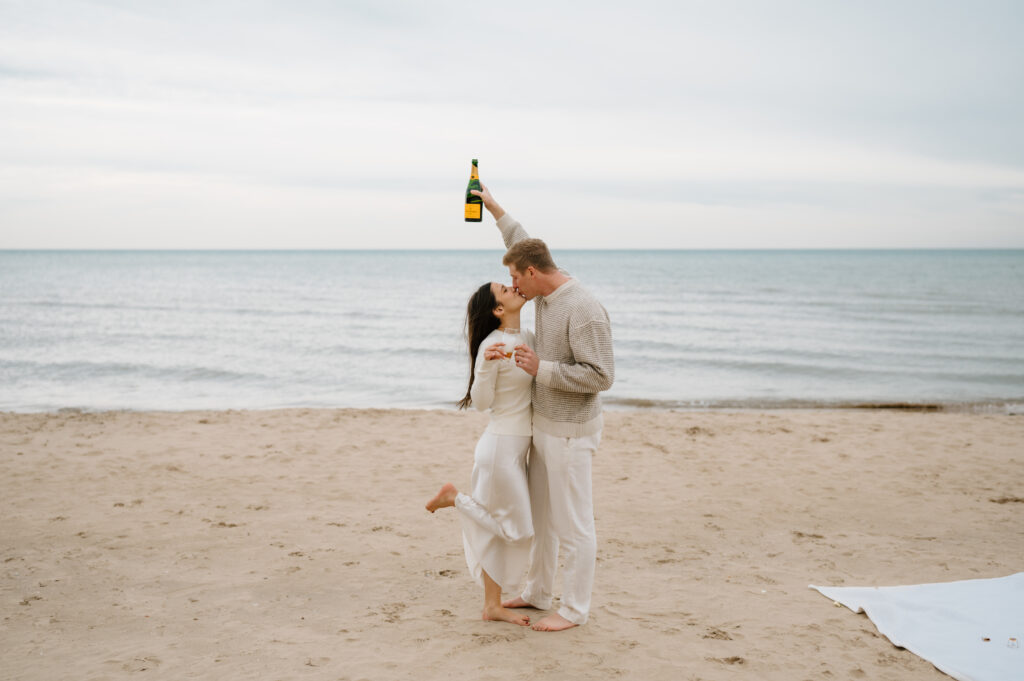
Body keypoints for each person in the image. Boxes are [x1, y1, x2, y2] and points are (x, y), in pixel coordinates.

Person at [471, 183, 615, 632]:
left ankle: (573, 609)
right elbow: (520, 242)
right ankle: (537, 591)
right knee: (544, 521)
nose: (513, 286)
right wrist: (494, 208)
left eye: (515, 278)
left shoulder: (583, 309)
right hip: (543, 427)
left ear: (531, 273)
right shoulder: (545, 287)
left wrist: (542, 369)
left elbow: (601, 376)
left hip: (571, 430)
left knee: (573, 524)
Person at [425, 281, 537, 626]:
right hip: (500, 447)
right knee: (515, 529)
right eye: (505, 289)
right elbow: (482, 403)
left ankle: (493, 604)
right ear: (498, 310)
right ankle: (455, 498)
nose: (513, 287)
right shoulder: (493, 344)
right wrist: (485, 367)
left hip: (519, 447)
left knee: (510, 527)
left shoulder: (528, 337)